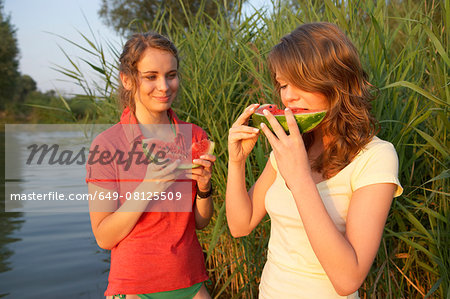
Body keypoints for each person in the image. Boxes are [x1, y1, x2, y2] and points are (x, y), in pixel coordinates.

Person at [226, 22, 403, 298]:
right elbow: (241, 225)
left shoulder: (376, 157)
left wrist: (299, 179)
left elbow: (348, 279)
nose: (288, 95)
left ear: (336, 81)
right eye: (283, 84)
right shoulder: (291, 146)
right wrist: (235, 163)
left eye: (300, 83)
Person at [86, 32, 215, 299]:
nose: (164, 86)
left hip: (190, 282)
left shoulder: (195, 136)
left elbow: (200, 222)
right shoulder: (107, 145)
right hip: (133, 288)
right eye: (151, 76)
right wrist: (147, 188)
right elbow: (104, 237)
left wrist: (204, 187)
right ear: (127, 80)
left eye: (171, 74)